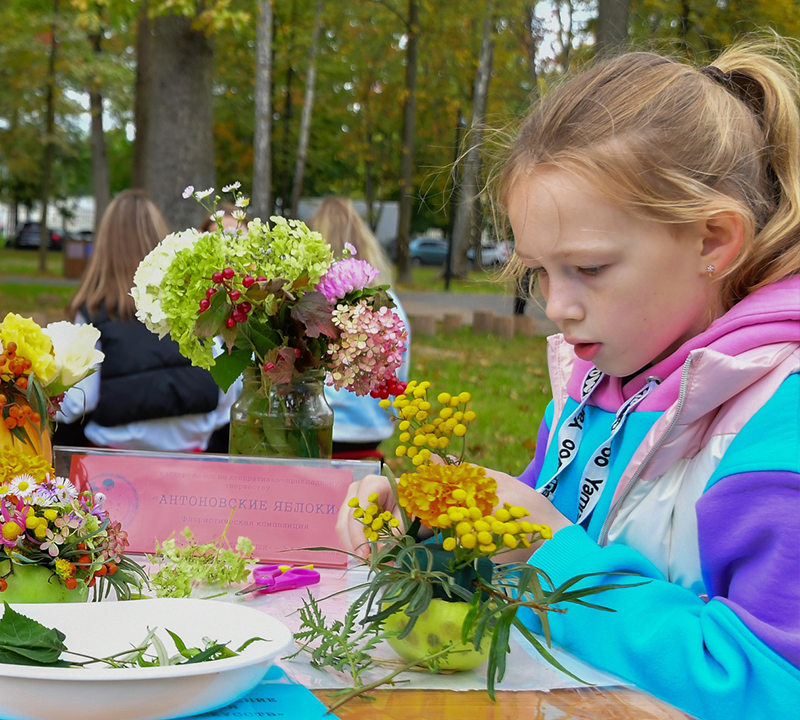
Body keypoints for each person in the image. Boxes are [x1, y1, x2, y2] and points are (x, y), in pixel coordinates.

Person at [336, 38, 799, 720]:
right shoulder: (599, 384)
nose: (557, 306)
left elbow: (770, 686)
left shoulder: (775, 429)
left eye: (589, 268)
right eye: (539, 273)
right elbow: (526, 548)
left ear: (711, 241)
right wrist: (426, 533)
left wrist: (551, 550)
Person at [55, 190, 235, 452]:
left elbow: (79, 402)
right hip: (192, 466)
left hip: (112, 467)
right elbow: (225, 392)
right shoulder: (194, 304)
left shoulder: (94, 311)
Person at [307, 197, 411, 460]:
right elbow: (400, 366)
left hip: (320, 427)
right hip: (371, 431)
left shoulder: (312, 305)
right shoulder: (389, 302)